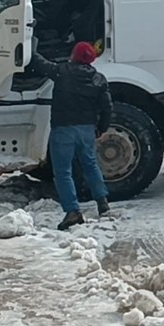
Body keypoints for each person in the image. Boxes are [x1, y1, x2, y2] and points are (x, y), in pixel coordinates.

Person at [28, 40, 113, 230]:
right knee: (90, 165)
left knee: (63, 172)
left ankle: (73, 211)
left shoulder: (62, 72)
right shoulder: (99, 79)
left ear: (74, 55)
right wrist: (101, 127)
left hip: (63, 130)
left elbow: (38, 63)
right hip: (87, 130)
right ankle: (102, 203)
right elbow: (107, 107)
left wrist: (30, 43)